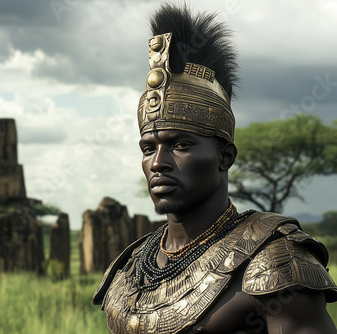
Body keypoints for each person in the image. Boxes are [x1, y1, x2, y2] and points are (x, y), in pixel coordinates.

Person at [92, 4, 337, 333]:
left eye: (181, 145)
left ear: (225, 157)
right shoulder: (133, 265)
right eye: (149, 148)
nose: (158, 163)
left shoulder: (276, 262)